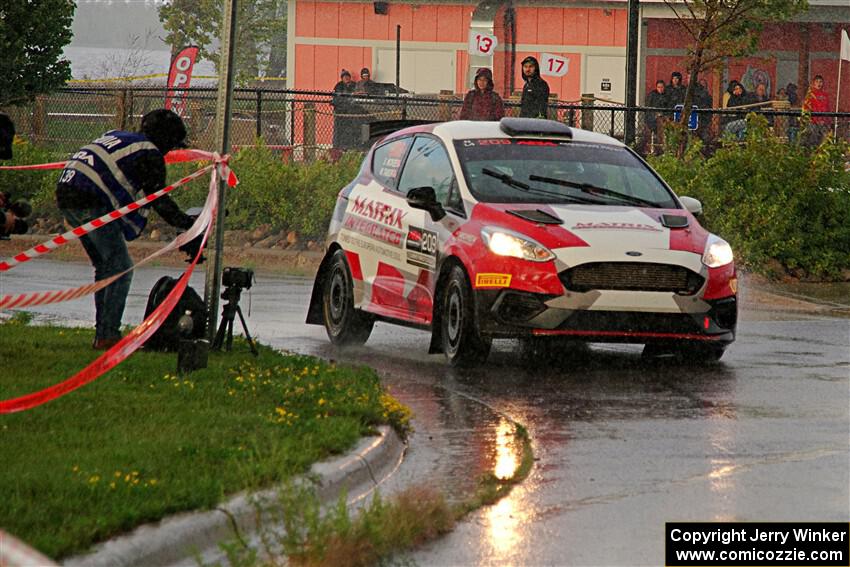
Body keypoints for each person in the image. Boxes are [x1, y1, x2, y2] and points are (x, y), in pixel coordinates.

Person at [55, 109, 198, 350]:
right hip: (91, 197)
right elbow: (158, 198)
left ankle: (103, 333)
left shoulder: (120, 136)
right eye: (171, 145)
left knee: (106, 267)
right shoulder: (149, 152)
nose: (169, 151)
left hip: (68, 193)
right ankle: (108, 335)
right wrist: (187, 223)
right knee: (120, 268)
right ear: (164, 139)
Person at [332, 69, 357, 151]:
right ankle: (337, 146)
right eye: (344, 77)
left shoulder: (354, 85)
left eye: (347, 76)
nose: (346, 78)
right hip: (340, 112)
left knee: (350, 129)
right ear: (342, 78)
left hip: (351, 112)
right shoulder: (339, 86)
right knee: (339, 129)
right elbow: (337, 98)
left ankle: (349, 145)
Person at [803, 75, 830, 144]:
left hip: (824, 122)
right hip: (813, 122)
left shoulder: (825, 95)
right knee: (813, 141)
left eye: (821, 82)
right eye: (817, 82)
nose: (819, 84)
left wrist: (827, 121)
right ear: (814, 83)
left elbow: (827, 108)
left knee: (824, 141)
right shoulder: (810, 95)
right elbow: (807, 108)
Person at [644, 80, 668, 154]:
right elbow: (648, 107)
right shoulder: (652, 95)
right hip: (651, 117)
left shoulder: (667, 96)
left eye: (662, 87)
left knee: (661, 127)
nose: (660, 89)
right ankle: (648, 149)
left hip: (662, 118)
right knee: (648, 132)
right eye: (658, 87)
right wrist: (654, 114)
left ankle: (660, 149)